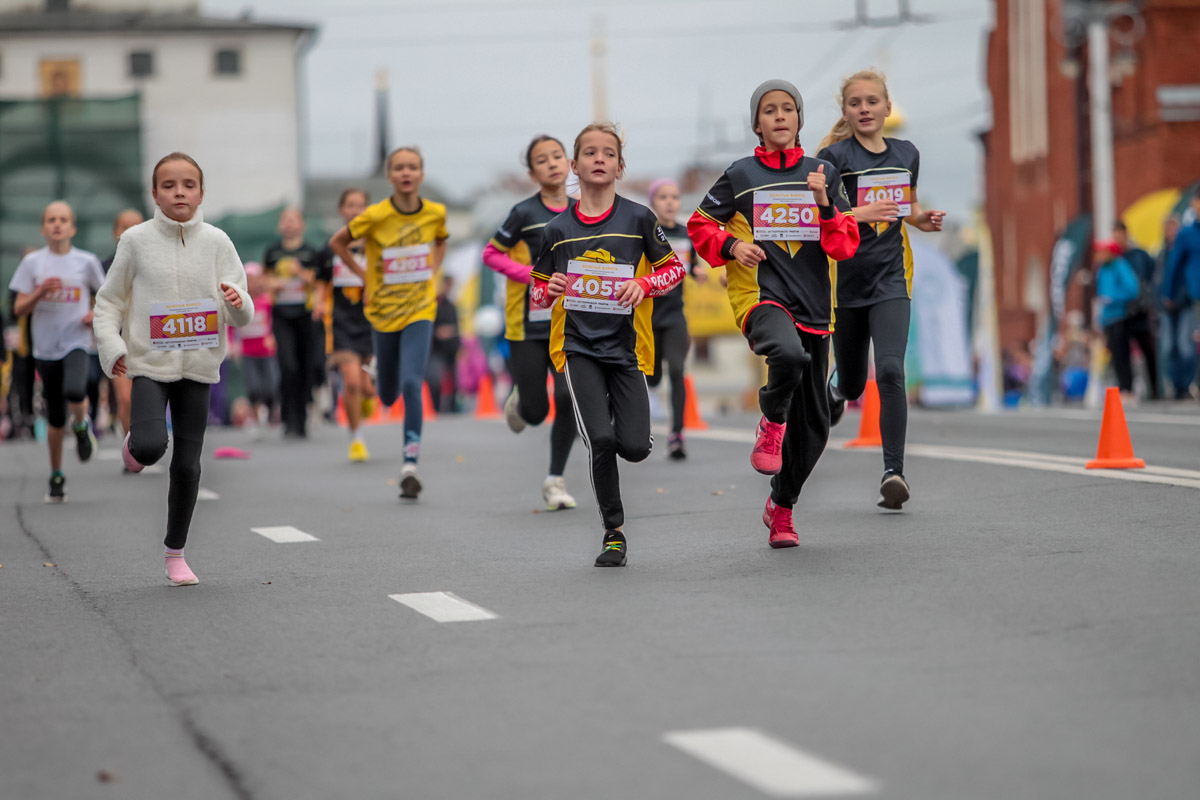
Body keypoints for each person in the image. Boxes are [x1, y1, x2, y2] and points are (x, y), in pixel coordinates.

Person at [688, 79, 860, 548]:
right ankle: (771, 421)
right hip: (761, 298)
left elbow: (844, 244)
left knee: (818, 429)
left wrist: (825, 203)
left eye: (788, 108)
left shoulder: (823, 172)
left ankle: (781, 508)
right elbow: (700, 225)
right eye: (769, 110)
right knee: (786, 354)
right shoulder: (741, 174)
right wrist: (732, 244)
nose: (780, 116)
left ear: (800, 119)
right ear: (757, 124)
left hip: (814, 308)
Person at [530, 122, 687, 566]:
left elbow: (672, 269)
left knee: (634, 447)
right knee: (600, 438)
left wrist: (644, 283)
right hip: (577, 348)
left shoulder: (638, 218)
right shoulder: (557, 229)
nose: (599, 159)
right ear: (575, 166)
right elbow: (537, 293)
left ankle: (632, 437)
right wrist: (553, 286)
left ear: (620, 165)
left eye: (608, 153)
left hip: (626, 349)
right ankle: (613, 532)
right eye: (590, 153)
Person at [93, 152, 254, 586]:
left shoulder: (218, 242)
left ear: (201, 192)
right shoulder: (135, 241)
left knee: (188, 465)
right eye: (168, 185)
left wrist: (238, 304)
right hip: (149, 364)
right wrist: (112, 345)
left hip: (199, 366)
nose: (179, 191)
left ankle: (175, 552)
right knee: (149, 447)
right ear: (154, 194)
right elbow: (109, 301)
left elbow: (242, 304)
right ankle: (134, 446)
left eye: (188, 184)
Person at [815, 68, 945, 509]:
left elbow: (905, 205)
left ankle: (894, 472)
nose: (865, 109)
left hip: (891, 279)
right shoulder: (834, 159)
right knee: (853, 385)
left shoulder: (907, 153)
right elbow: (824, 222)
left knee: (890, 370)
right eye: (856, 103)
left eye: (873, 101)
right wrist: (861, 213)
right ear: (846, 112)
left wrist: (920, 219)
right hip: (848, 282)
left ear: (888, 107)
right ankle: (836, 389)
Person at [329, 146, 449, 499]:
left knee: (413, 384)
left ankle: (409, 464)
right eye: (399, 167)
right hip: (382, 314)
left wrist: (433, 271)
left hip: (420, 310)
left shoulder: (436, 213)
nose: (406, 173)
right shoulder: (375, 216)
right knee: (387, 394)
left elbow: (440, 240)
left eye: (413, 167)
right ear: (390, 175)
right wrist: (363, 274)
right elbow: (338, 242)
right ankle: (381, 371)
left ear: (421, 174)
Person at [482, 134, 578, 510]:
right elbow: (491, 254)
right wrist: (533, 275)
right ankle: (523, 396)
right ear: (531, 172)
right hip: (527, 322)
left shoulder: (582, 211)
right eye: (543, 159)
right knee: (536, 413)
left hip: (568, 321)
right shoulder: (523, 213)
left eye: (557, 156)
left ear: (569, 162)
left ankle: (555, 479)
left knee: (568, 397)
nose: (552, 163)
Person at [9, 201, 105, 502]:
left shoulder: (87, 261)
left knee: (75, 389)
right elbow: (17, 308)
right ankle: (56, 476)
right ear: (43, 227)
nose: (57, 224)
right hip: (44, 348)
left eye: (63, 219)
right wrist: (39, 292)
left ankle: (81, 426)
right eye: (51, 219)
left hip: (76, 341)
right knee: (53, 418)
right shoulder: (33, 264)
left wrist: (93, 314)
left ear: (72, 227)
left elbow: (104, 298)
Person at [315, 188, 377, 461]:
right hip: (341, 322)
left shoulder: (376, 245)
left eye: (360, 206)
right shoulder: (330, 249)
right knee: (351, 382)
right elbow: (321, 282)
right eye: (350, 205)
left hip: (373, 322)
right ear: (341, 210)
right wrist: (319, 302)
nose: (355, 211)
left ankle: (366, 398)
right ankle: (356, 439)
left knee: (367, 388)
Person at [645, 178, 701, 460]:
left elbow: (692, 265)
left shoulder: (685, 233)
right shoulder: (646, 233)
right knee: (652, 376)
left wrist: (697, 272)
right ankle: (649, 390)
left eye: (675, 197)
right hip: (647, 315)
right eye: (663, 197)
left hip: (674, 315)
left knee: (678, 370)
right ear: (653, 202)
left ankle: (677, 435)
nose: (670, 202)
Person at [264, 207, 322, 438]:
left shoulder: (310, 252)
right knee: (288, 366)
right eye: (285, 220)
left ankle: (302, 419)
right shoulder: (273, 252)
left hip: (305, 315)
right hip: (282, 315)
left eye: (293, 220)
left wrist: (301, 273)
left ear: (302, 225)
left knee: (306, 366)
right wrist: (273, 283)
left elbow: (319, 281)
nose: (288, 224)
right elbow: (264, 281)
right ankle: (288, 417)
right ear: (280, 226)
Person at [100, 209, 144, 444]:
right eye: (123, 226)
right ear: (115, 232)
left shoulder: (154, 262)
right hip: (119, 339)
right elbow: (97, 302)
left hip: (151, 338)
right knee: (125, 398)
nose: (129, 232)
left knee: (145, 397)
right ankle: (133, 446)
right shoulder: (104, 266)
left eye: (135, 226)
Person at [1111, 220, 1160, 400]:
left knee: (1148, 348)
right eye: (1114, 237)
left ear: (1125, 234)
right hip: (1123, 312)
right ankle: (1127, 389)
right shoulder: (1114, 258)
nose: (1118, 240)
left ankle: (1155, 389)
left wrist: (1150, 301)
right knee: (1122, 352)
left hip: (1139, 310)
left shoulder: (1138, 255)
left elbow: (1148, 276)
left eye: (1119, 236)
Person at [1161, 192, 1200, 399]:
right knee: (1187, 344)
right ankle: (1183, 386)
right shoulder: (1186, 233)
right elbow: (1173, 266)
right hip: (1195, 296)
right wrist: (1168, 293)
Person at [1094, 240, 1144, 397]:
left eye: (1102, 251)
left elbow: (1133, 289)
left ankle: (1127, 388)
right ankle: (1121, 387)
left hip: (1120, 315)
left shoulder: (1120, 265)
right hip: (1107, 317)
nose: (1099, 255)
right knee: (1114, 355)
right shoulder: (1102, 270)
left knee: (1123, 353)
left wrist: (1113, 298)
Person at [237, 262, 279, 435]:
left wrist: (273, 336)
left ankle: (271, 416)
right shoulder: (240, 302)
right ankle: (254, 420)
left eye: (255, 279)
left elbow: (275, 322)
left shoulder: (267, 301)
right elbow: (233, 324)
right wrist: (233, 343)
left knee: (271, 386)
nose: (252, 284)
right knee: (254, 387)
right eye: (249, 280)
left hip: (266, 352)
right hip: (248, 352)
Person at [1156, 217, 1194, 399]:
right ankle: (1173, 384)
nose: (1170, 233)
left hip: (1184, 302)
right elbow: (1158, 280)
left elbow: (1188, 277)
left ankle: (1186, 385)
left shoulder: (1185, 250)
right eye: (1167, 229)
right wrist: (1161, 299)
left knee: (1185, 345)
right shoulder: (1162, 254)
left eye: (1173, 229)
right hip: (1165, 306)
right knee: (1168, 346)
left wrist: (1176, 296)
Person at [426, 275, 460, 413]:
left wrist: (459, 345)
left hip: (451, 348)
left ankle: (452, 407)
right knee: (436, 379)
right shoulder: (435, 303)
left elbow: (456, 328)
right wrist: (438, 333)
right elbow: (430, 326)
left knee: (454, 380)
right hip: (437, 349)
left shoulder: (452, 306)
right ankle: (435, 407)